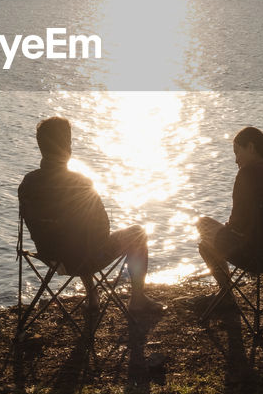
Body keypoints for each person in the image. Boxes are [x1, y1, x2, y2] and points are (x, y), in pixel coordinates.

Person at [18, 116, 161, 313]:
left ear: (41, 147)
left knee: (76, 237)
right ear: (67, 147)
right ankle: (137, 300)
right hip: (82, 258)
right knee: (137, 233)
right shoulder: (81, 183)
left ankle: (93, 297)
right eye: (69, 142)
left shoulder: (28, 183)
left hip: (50, 257)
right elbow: (102, 231)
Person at [197, 126, 263, 309]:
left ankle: (226, 292)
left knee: (202, 226)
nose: (236, 160)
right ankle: (225, 293)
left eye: (237, 152)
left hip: (257, 255)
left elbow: (236, 224)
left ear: (251, 147)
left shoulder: (247, 174)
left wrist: (224, 231)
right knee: (218, 233)